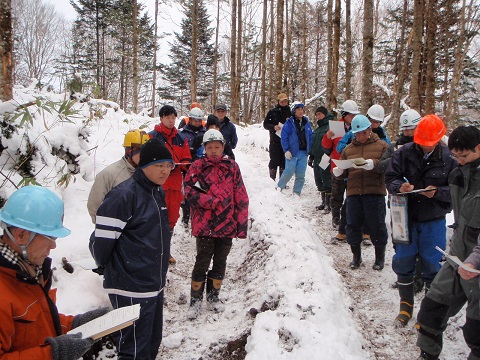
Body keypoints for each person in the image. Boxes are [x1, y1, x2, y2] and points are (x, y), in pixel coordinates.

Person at [0, 186, 108, 359]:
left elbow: (38, 325)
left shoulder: (29, 273)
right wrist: (53, 354)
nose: (54, 246)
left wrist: (75, 325)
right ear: (21, 236)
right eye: (50, 238)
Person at [90, 138, 174, 360]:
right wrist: (110, 267)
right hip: (130, 286)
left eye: (169, 165)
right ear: (144, 165)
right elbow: (102, 241)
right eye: (159, 165)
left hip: (153, 284)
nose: (165, 171)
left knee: (151, 344)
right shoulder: (123, 195)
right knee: (134, 349)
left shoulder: (156, 192)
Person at [385, 114, 457, 328]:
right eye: (421, 143)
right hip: (403, 216)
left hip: (432, 219)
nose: (425, 147)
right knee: (403, 259)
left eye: (429, 143)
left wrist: (437, 192)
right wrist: (400, 187)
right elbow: (390, 178)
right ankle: (405, 306)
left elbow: (456, 192)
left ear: (438, 139)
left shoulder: (449, 159)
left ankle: (427, 312)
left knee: (431, 263)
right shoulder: (403, 153)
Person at [416, 125, 480, 360]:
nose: (460, 160)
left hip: (478, 264)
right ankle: (427, 355)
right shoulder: (457, 175)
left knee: (476, 331)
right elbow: (450, 206)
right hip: (458, 258)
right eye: (456, 155)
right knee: (431, 311)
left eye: (464, 155)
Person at [184, 129, 249, 319]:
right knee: (202, 261)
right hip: (204, 225)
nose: (213, 150)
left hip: (227, 224)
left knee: (220, 262)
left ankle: (213, 297)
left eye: (217, 147)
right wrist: (208, 201)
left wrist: (241, 224)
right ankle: (195, 301)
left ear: (223, 147)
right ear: (204, 148)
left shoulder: (232, 167)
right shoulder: (197, 166)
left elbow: (241, 196)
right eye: (209, 147)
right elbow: (188, 190)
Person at [332, 115, 389, 270]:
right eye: (357, 134)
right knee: (353, 226)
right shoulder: (348, 150)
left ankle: (379, 258)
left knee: (377, 226)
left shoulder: (382, 146)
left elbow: (389, 166)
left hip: (374, 192)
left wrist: (374, 164)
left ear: (370, 130)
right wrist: (339, 172)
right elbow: (344, 171)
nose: (361, 136)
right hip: (354, 193)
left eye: (364, 132)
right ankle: (356, 257)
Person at [149, 105, 192, 264]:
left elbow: (186, 158)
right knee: (153, 219)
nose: (171, 120)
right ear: (161, 118)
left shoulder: (181, 139)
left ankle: (165, 251)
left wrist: (184, 164)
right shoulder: (152, 137)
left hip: (174, 185)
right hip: (156, 185)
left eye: (173, 117)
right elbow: (147, 160)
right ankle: (152, 252)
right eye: (167, 117)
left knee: (171, 219)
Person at [87, 129, 150, 223]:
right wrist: (106, 228)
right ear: (129, 150)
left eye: (147, 150)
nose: (144, 155)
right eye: (140, 150)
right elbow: (94, 206)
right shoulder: (109, 174)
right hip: (115, 231)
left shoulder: (148, 173)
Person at [322, 99, 359, 240]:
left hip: (353, 167)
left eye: (354, 115)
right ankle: (336, 218)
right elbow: (326, 148)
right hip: (337, 166)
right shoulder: (335, 127)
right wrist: (327, 137)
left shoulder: (359, 128)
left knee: (352, 196)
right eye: (350, 115)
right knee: (337, 194)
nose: (353, 118)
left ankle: (349, 219)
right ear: (344, 115)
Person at [276, 102, 313, 196]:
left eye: (302, 109)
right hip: (292, 152)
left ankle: (297, 192)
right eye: (298, 110)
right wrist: (286, 150)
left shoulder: (306, 123)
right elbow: (284, 138)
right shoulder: (289, 123)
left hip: (304, 152)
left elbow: (310, 137)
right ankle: (279, 187)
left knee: (301, 174)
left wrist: (310, 149)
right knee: (289, 171)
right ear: (294, 111)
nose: (300, 112)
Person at [179, 107, 207, 226]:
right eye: (195, 120)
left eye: (199, 120)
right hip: (187, 168)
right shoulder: (182, 134)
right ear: (190, 120)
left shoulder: (205, 133)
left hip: (202, 168)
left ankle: (199, 215)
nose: (197, 123)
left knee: (201, 190)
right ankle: (186, 216)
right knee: (186, 192)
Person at [308, 106, 333, 212]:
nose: (318, 116)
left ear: (325, 114)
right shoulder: (317, 129)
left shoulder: (330, 126)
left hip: (326, 157)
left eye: (319, 114)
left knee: (326, 179)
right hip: (317, 157)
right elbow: (314, 144)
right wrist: (311, 156)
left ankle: (329, 204)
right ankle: (323, 202)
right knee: (319, 180)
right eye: (316, 114)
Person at [263, 93, 291, 180]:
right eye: (282, 101)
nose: (283, 102)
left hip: (286, 141)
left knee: (284, 160)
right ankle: (272, 179)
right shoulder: (272, 112)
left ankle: (282, 181)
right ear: (278, 101)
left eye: (285, 101)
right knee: (274, 160)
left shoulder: (290, 113)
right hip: (275, 140)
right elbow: (265, 124)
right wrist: (273, 127)